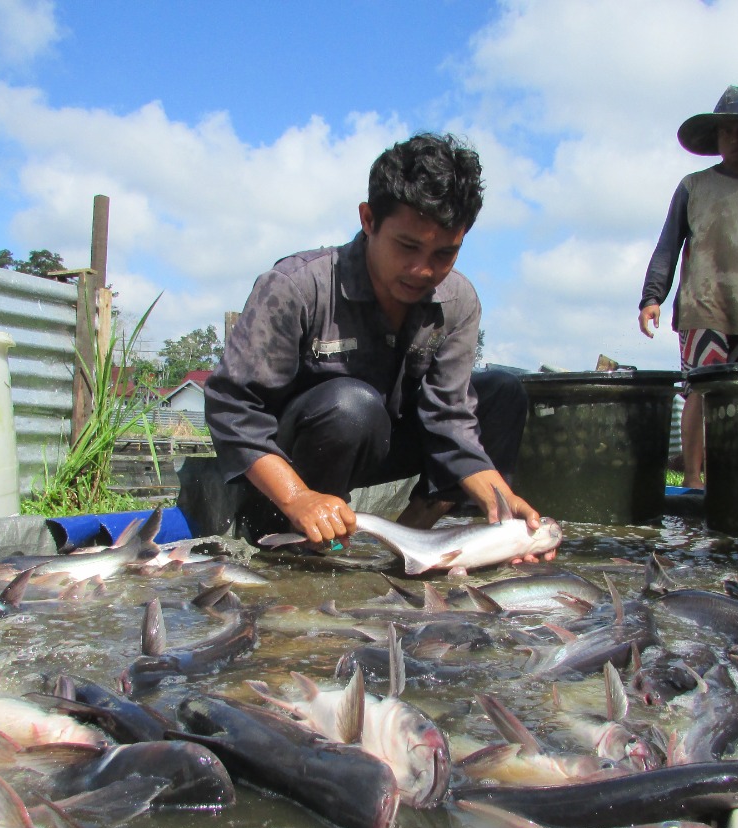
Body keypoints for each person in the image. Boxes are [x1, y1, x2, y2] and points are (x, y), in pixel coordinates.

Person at [203, 131, 550, 559]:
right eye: (407, 246)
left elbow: (450, 418)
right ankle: (296, 546)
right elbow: (231, 407)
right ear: (368, 220)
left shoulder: (458, 301)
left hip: (386, 440)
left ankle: (414, 544)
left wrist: (503, 504)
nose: (423, 270)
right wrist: (296, 497)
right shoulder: (296, 286)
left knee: (502, 393)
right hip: (299, 458)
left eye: (445, 254)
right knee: (353, 406)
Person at [637, 86, 738, 489]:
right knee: (701, 386)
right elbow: (668, 245)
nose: (735, 137)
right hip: (702, 303)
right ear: (716, 138)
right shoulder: (693, 186)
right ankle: (693, 478)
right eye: (726, 130)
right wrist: (652, 297)